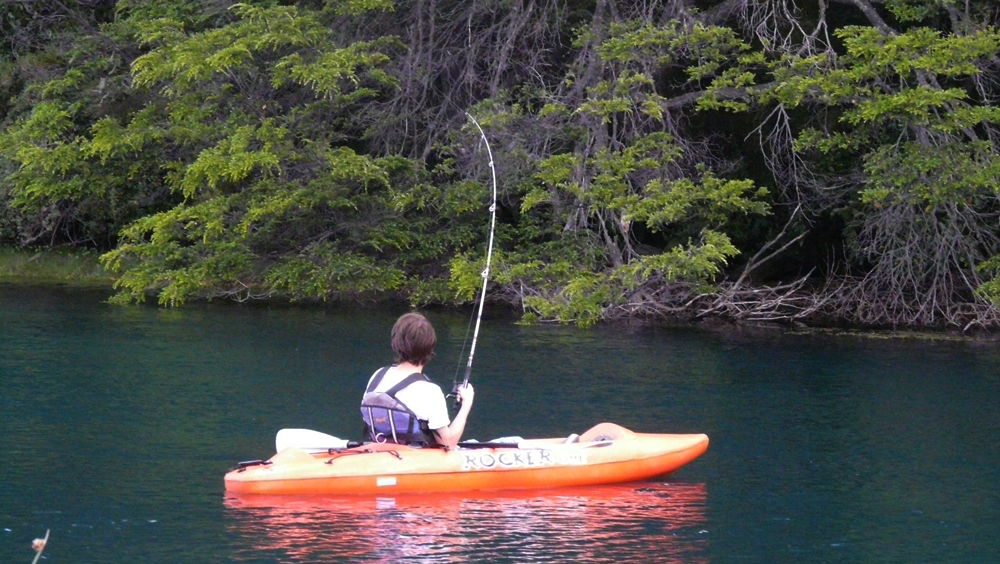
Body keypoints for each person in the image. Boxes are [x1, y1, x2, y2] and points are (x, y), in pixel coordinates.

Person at [360, 312, 474, 449]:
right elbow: (448, 443)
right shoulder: (429, 390)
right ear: (430, 347)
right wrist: (466, 404)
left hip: (379, 454)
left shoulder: (377, 376)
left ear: (395, 343)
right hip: (414, 461)